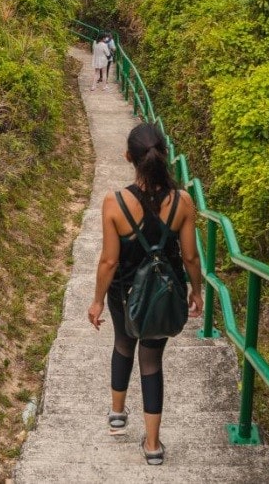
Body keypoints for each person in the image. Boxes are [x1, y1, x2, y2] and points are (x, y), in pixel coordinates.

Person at [87, 123, 203, 465]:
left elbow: (109, 260)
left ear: (128, 158)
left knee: (123, 343)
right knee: (152, 362)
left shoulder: (115, 202)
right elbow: (190, 256)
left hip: (124, 293)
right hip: (162, 296)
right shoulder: (182, 201)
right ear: (164, 154)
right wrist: (196, 291)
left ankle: (118, 414)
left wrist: (96, 300)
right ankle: (153, 445)